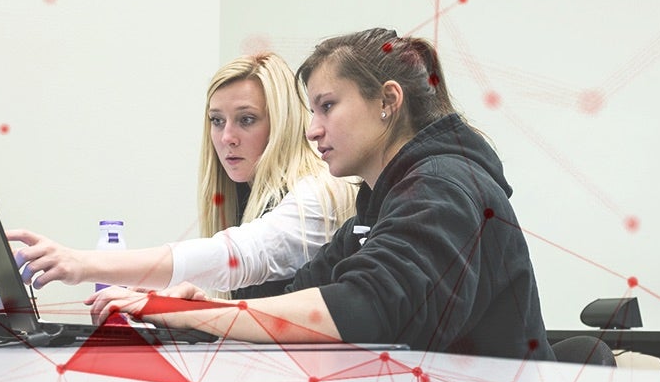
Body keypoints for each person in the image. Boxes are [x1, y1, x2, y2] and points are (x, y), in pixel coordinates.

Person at [87, 28, 555, 361]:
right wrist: (205, 310)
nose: (312, 130)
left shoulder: (443, 187)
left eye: (328, 107)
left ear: (388, 102)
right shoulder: (378, 205)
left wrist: (197, 313)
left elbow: (365, 310)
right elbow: (302, 296)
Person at [7, 53, 356, 299]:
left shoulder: (318, 194)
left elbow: (235, 257)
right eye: (217, 120)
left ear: (282, 124)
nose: (226, 137)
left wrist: (82, 263)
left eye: (246, 119)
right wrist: (186, 310)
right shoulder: (245, 198)